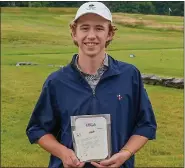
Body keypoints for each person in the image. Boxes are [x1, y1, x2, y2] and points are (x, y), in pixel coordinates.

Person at [26, 2, 157, 168]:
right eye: (85, 28)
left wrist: (125, 153)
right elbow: (37, 129)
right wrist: (63, 153)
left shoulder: (130, 76)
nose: (91, 35)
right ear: (74, 33)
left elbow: (146, 124)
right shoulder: (56, 81)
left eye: (99, 28)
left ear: (110, 34)